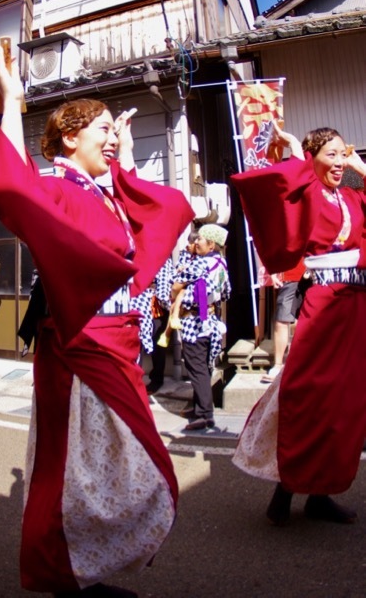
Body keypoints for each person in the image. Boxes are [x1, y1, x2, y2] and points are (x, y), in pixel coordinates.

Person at [0, 51, 194, 597]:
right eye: (103, 129)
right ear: (69, 136)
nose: (112, 137)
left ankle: (83, 565)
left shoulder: (106, 195)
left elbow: (169, 209)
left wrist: (124, 161)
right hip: (79, 348)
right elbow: (10, 189)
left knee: (114, 469)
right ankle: (65, 573)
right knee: (73, 472)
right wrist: (11, 102)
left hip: (117, 344)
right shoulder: (57, 187)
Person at [232, 124, 366, 526]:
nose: (340, 163)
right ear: (314, 159)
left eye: (344, 154)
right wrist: (296, 155)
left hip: (356, 305)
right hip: (324, 303)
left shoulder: (353, 197)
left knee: (345, 405)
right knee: (310, 396)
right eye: (331, 155)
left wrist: (362, 166)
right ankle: (286, 488)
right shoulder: (308, 193)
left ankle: (320, 494)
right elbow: (273, 189)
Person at [170, 224, 231, 431]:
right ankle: (199, 407)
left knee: (196, 368)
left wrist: (182, 283)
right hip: (209, 320)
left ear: (211, 244)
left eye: (200, 240)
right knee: (202, 366)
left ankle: (205, 414)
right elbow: (226, 293)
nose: (196, 243)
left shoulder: (201, 264)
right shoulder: (221, 263)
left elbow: (175, 284)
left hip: (194, 322)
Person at [130, 258, 173, 394]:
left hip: (154, 305)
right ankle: (135, 379)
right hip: (136, 300)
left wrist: (167, 305)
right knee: (137, 343)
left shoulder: (163, 258)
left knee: (156, 343)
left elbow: (164, 287)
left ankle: (156, 379)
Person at [261, 261, 305, 383]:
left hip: (318, 272)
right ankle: (278, 364)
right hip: (291, 272)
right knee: (281, 319)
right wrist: (273, 272)